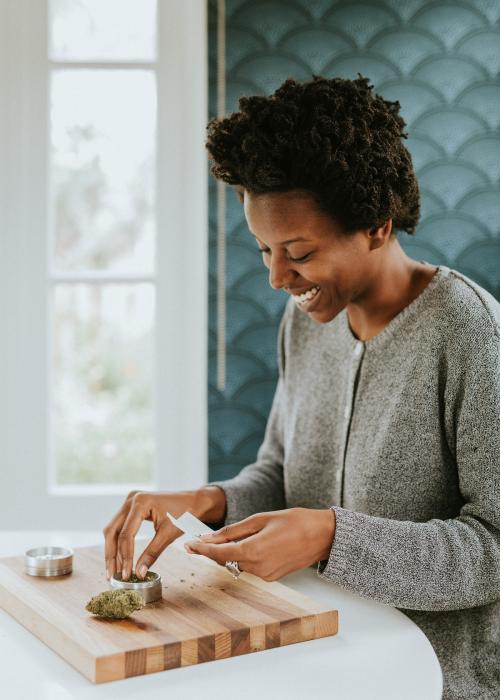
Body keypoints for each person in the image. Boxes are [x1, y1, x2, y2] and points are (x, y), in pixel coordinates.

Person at [103, 76, 500, 700]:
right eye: (264, 250)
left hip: (433, 676)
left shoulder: (470, 333)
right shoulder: (306, 321)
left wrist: (333, 536)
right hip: (314, 648)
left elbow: (493, 549)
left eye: (299, 252)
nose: (277, 277)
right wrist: (208, 501)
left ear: (376, 224)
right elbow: (282, 474)